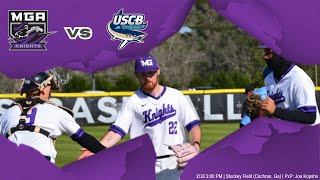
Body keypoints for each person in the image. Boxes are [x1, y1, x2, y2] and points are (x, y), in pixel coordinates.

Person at [79, 55, 201, 179]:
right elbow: (117, 131)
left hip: (175, 163)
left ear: (158, 71)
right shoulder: (133, 101)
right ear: (137, 75)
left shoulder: (176, 96)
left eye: (150, 72)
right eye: (143, 74)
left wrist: (196, 144)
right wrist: (96, 148)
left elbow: (192, 125)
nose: (147, 77)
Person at [0, 69, 107, 163]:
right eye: (50, 86)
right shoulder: (55, 111)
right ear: (43, 88)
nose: (50, 90)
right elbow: (84, 139)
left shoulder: (8, 113)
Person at [258, 46, 320, 124]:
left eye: (268, 52)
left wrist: (275, 111)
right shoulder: (268, 79)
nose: (265, 56)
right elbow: (279, 110)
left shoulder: (299, 78)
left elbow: (310, 117)